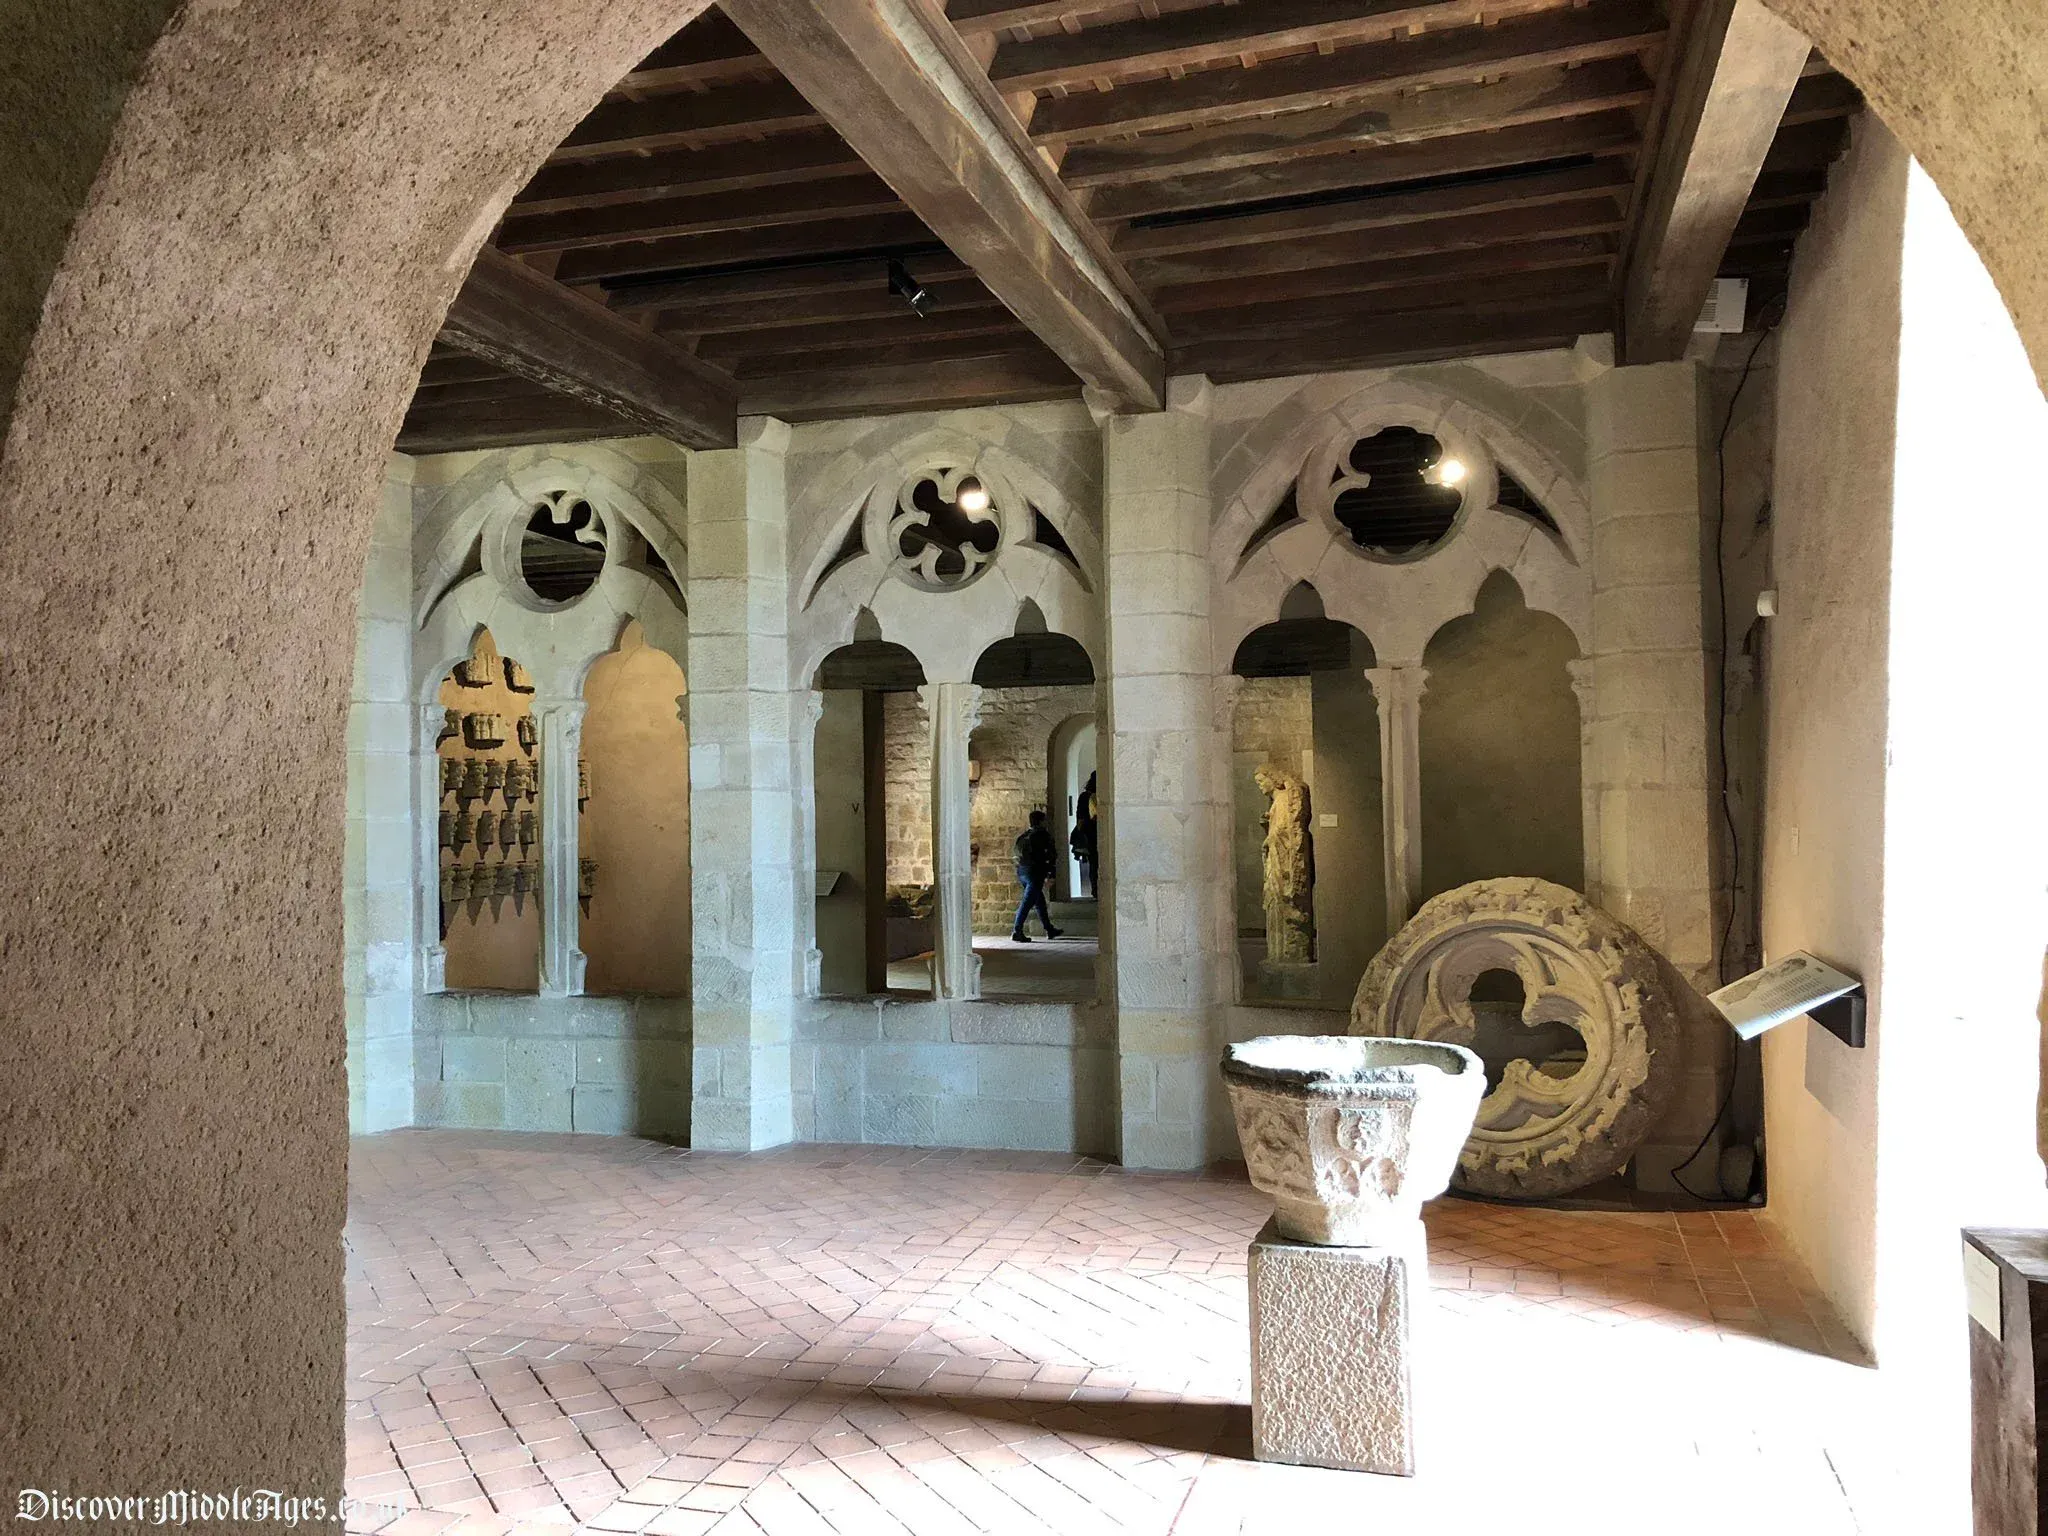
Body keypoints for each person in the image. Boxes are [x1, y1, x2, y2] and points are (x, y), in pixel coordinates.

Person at [1011, 809, 1063, 942]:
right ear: (1041, 821)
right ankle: (1017, 930)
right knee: (1027, 902)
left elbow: (1016, 855)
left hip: (1022, 871)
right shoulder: (1043, 835)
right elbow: (1051, 855)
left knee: (1039, 901)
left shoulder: (1024, 836)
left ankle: (1049, 929)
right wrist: (1051, 873)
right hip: (1035, 872)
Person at [1072, 771, 1098, 898]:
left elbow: (1080, 816)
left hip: (1089, 832)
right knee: (1096, 861)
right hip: (1094, 831)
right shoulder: (1095, 796)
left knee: (1094, 863)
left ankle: (1095, 890)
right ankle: (1097, 890)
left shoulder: (1083, 796)